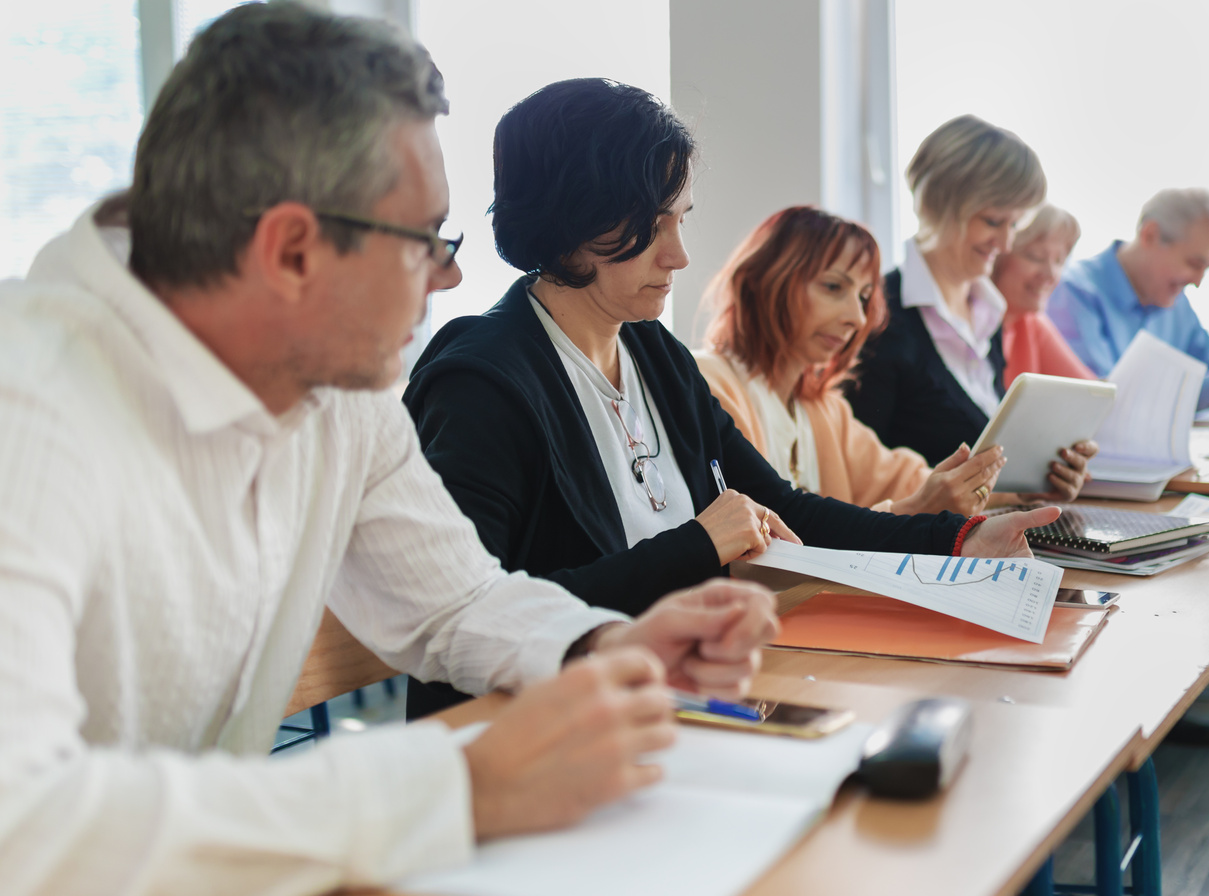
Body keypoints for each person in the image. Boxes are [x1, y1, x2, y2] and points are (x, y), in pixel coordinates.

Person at [0, 7, 784, 893]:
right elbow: (19, 822)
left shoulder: (335, 389)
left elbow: (455, 606)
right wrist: (453, 788)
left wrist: (610, 643)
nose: (451, 276)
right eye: (425, 241)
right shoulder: (29, 408)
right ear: (291, 251)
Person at [404, 82, 1060, 718]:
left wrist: (960, 540)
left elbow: (787, 507)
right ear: (570, 219)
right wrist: (696, 543)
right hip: (538, 723)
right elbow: (479, 613)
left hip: (669, 695)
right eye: (651, 226)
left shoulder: (654, 356)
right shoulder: (482, 379)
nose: (680, 255)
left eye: (680, 220)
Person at [695, 205, 1004, 517]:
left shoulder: (825, 410)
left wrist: (1013, 491)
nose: (857, 318)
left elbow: (908, 479)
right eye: (833, 287)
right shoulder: (708, 384)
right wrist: (913, 509)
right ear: (763, 282)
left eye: (864, 297)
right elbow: (764, 543)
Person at [845, 114, 1097, 495]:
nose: (1006, 243)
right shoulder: (878, 318)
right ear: (939, 205)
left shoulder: (987, 312)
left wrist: (1042, 478)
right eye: (994, 221)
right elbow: (859, 480)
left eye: (1014, 225)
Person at [1046, 187, 1209, 411]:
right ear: (1150, 235)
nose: (1198, 281)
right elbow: (1103, 399)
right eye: (1194, 264)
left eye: (1207, 269)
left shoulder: (1174, 303)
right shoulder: (1074, 293)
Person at [990, 203, 1096, 386]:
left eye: (1059, 261)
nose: (1050, 274)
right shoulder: (973, 322)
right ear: (997, 257)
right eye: (1035, 257)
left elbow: (1093, 394)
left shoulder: (1031, 323)